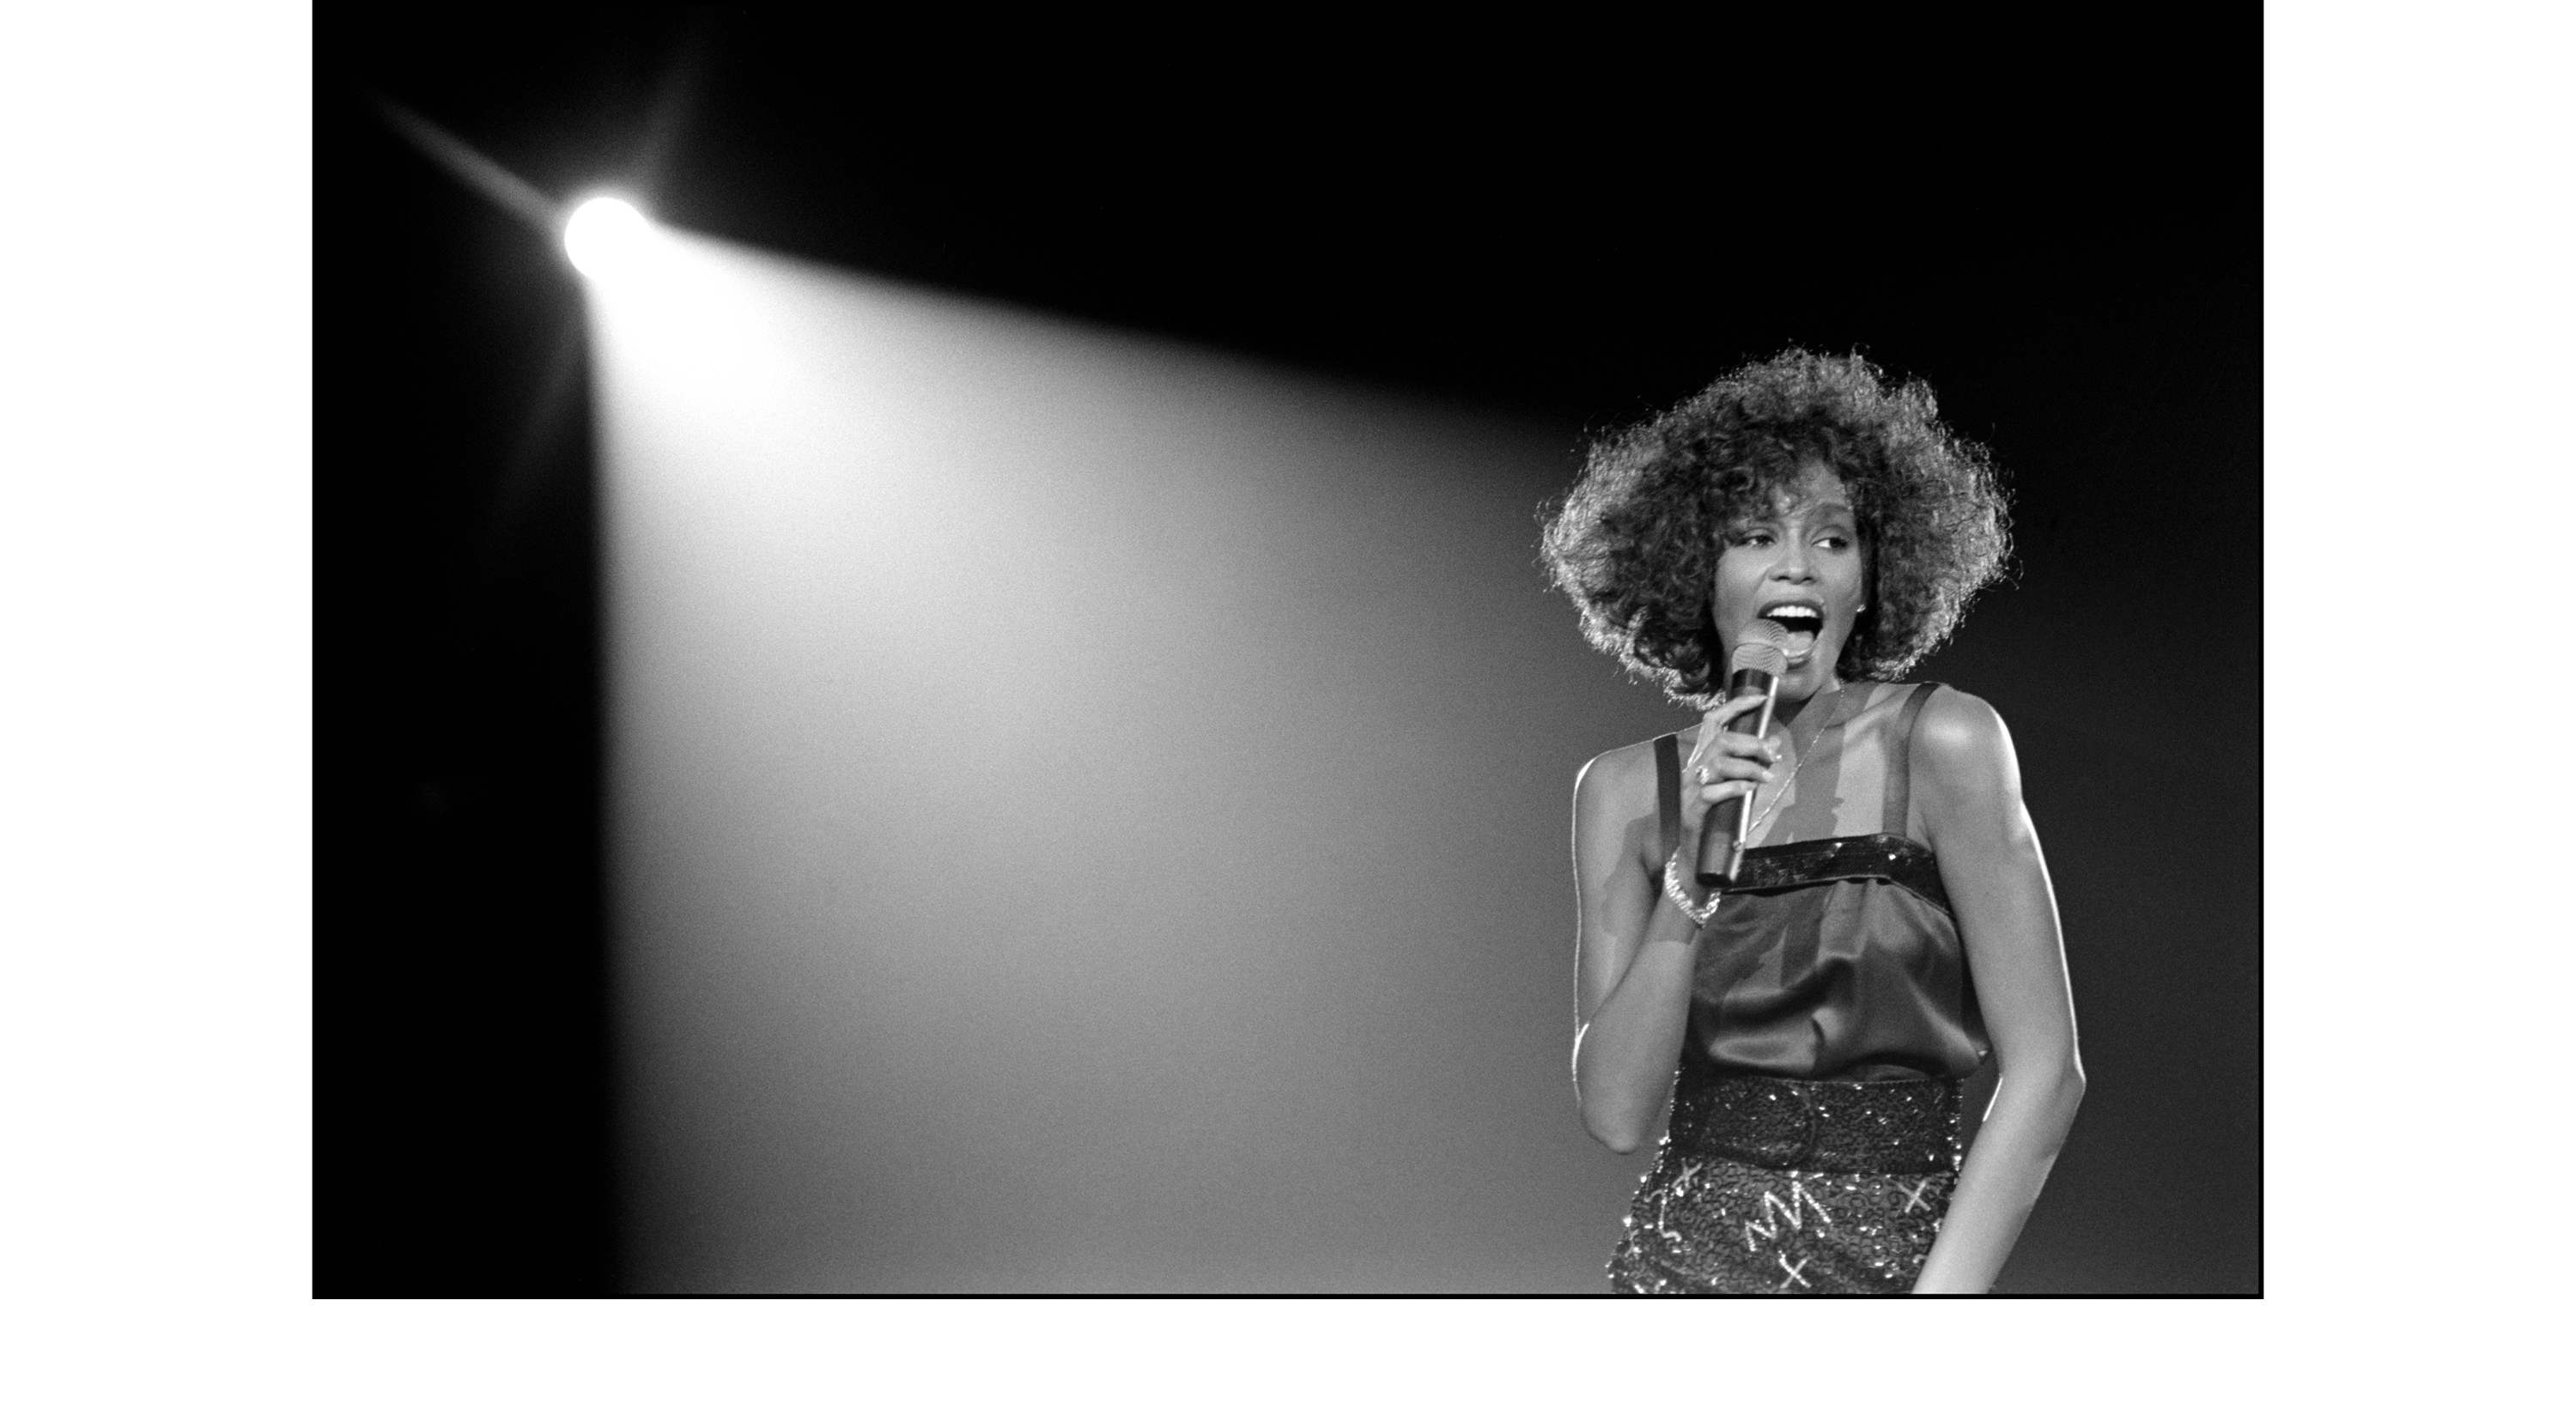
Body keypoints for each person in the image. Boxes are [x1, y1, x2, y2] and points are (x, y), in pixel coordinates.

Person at [1539, 349, 2083, 1294]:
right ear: (1694, 569)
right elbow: (1618, 1114)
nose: (1796, 564)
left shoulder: (1945, 740)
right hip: (1680, 1269)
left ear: (1871, 577)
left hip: (1902, 1264)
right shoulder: (1624, 791)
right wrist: (1687, 890)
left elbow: (2047, 1071)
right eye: (1754, 534)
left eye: (1832, 540)